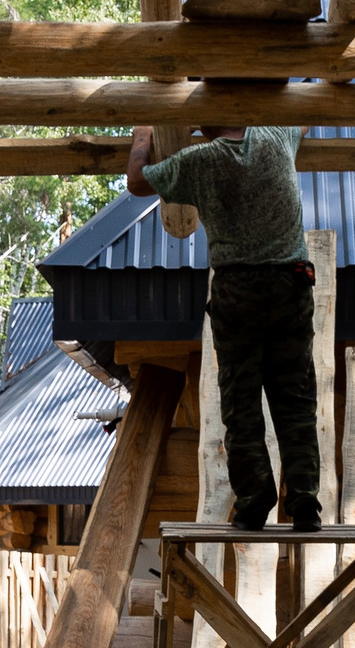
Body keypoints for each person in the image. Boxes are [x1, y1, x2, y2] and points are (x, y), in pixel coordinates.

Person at [126, 124, 321, 531]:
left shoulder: (200, 161)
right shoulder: (277, 138)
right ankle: (304, 501)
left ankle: (254, 498)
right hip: (291, 285)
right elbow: (302, 118)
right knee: (295, 399)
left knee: (241, 400)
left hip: (238, 290)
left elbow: (138, 182)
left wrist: (144, 135)